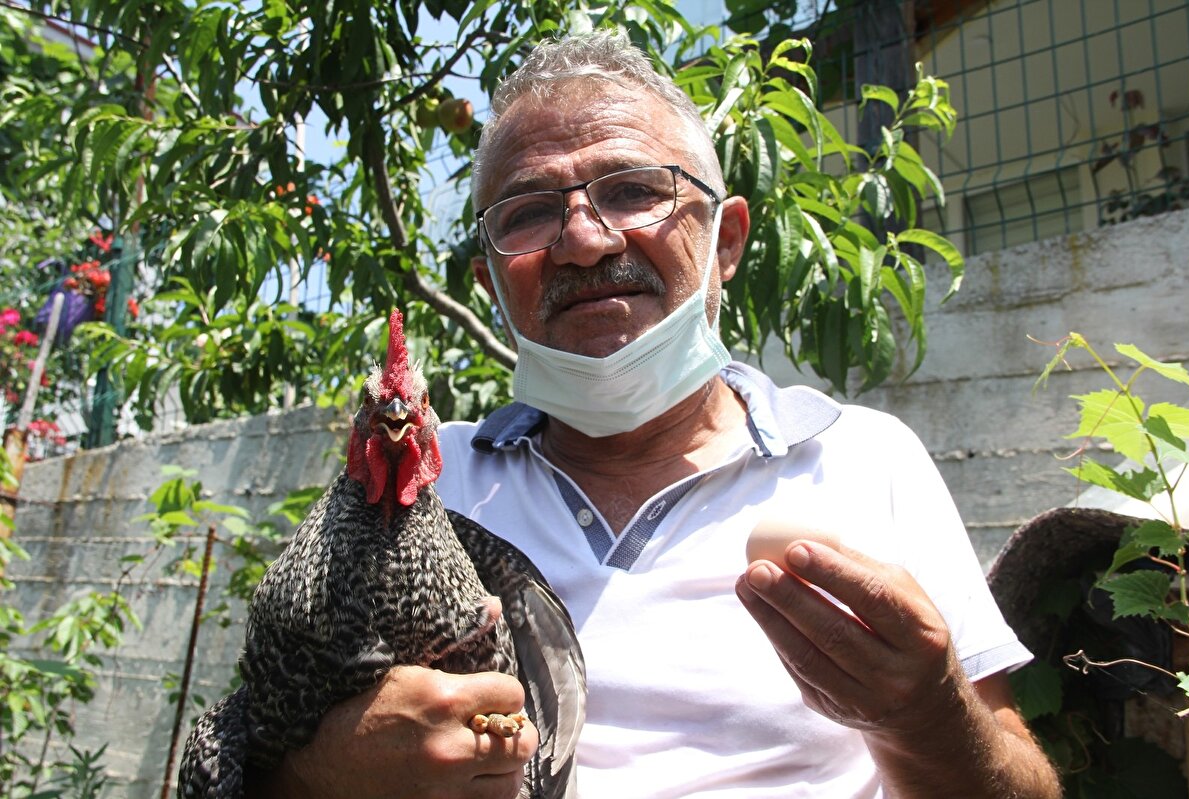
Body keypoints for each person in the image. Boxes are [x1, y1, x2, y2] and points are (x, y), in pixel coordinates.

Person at [259, 29, 1060, 798]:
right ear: (490, 282)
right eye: (528, 212)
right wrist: (321, 775)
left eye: (633, 190)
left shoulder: (862, 461)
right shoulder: (422, 491)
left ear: (727, 241)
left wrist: (927, 716)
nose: (583, 240)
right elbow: (248, 745)